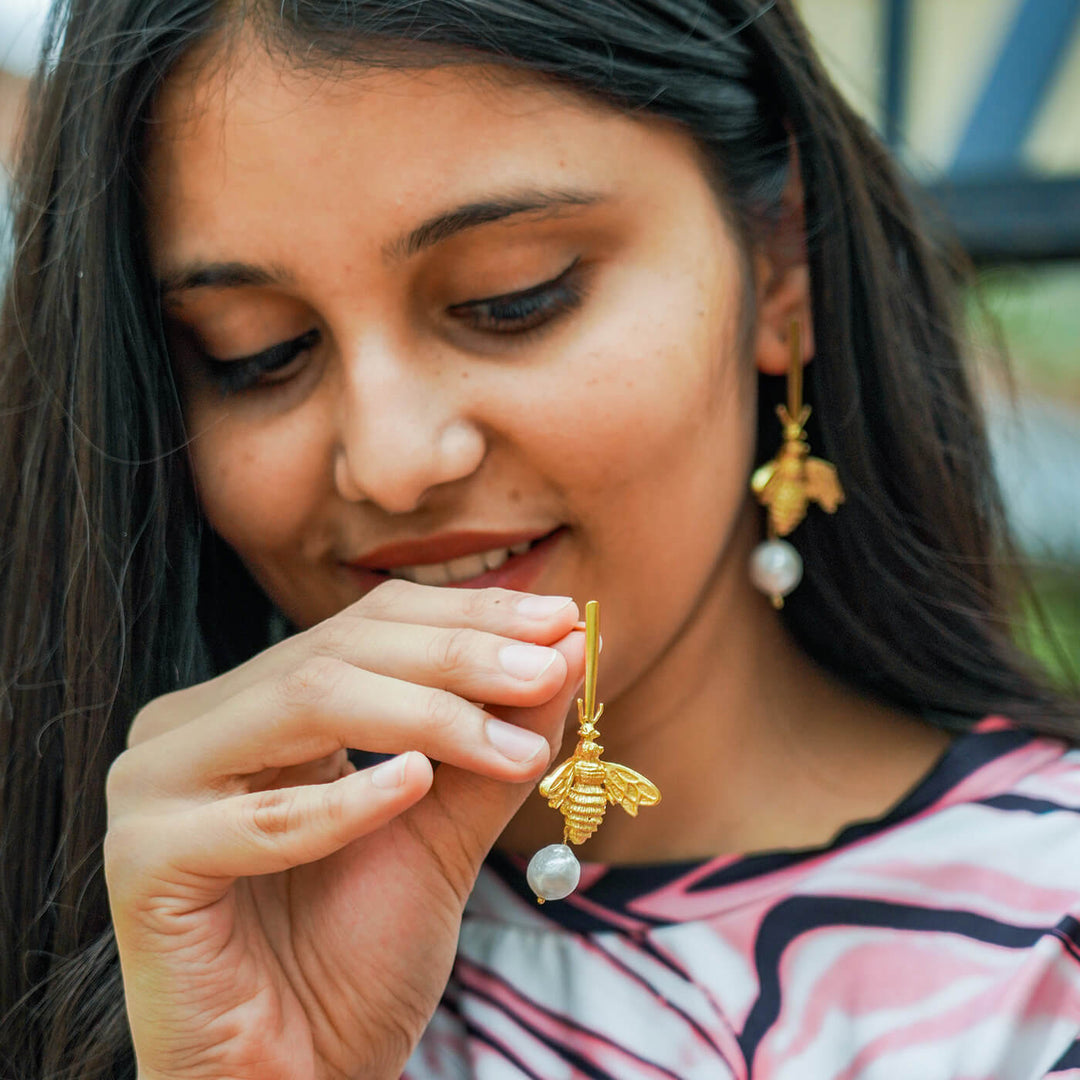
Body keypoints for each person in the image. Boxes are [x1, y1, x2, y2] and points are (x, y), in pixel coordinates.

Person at [1, 0, 1079, 1076]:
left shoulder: (1047, 954)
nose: (392, 459)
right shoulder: (142, 949)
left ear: (781, 256)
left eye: (512, 297)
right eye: (256, 354)